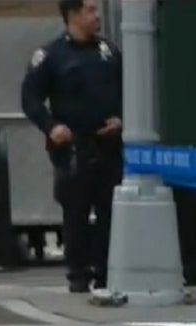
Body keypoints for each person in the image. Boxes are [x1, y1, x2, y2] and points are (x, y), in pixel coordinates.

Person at [20, 0, 122, 294]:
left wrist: (122, 120)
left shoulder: (109, 52)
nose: (97, 16)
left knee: (110, 212)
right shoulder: (51, 56)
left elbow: (128, 89)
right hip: (74, 148)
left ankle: (106, 271)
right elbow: (31, 98)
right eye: (90, 10)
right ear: (73, 15)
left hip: (108, 145)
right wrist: (51, 127)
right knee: (76, 213)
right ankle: (78, 273)